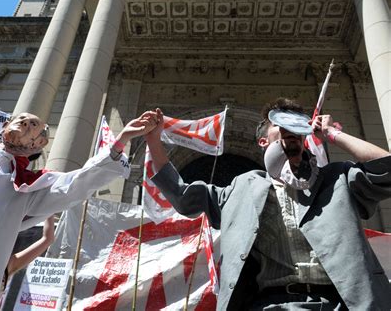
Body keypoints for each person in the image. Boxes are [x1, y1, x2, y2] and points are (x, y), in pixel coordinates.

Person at [0, 68, 158, 310]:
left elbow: (76, 184)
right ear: (4, 125)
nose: (24, 122)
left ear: (37, 144)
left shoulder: (28, 189)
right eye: (19, 119)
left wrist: (122, 140)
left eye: (32, 124)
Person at [145, 99, 391, 310]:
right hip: (271, 303)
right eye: (280, 123)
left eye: (295, 123)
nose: (289, 127)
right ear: (263, 142)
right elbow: (182, 195)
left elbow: (387, 168)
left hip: (342, 302)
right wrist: (154, 141)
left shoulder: (338, 178)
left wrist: (331, 134)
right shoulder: (241, 188)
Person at [0, 216, 55, 309]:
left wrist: (50, 210)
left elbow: (47, 239)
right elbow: (47, 239)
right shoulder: (4, 268)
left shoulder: (4, 267)